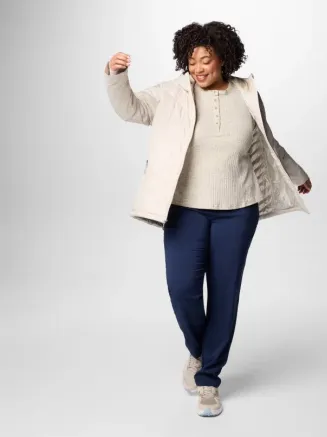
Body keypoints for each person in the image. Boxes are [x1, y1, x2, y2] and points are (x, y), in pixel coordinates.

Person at [104, 21, 312, 417]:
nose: (198, 68)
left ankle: (209, 379)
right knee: (182, 288)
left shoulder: (246, 93)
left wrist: (296, 174)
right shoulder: (172, 94)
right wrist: (116, 76)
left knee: (223, 294)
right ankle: (198, 350)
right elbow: (131, 108)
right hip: (184, 209)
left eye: (206, 60)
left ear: (224, 59)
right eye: (192, 61)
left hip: (238, 209)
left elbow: (267, 140)